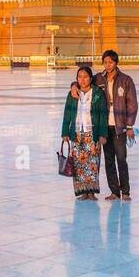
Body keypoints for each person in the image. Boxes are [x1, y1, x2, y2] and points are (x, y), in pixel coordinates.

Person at [60, 66, 109, 200]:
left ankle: (91, 192)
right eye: (79, 77)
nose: (82, 80)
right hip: (76, 134)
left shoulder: (98, 94)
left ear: (91, 78)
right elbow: (67, 114)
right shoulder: (72, 94)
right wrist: (65, 132)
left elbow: (103, 115)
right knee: (79, 164)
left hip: (92, 133)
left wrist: (103, 134)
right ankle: (82, 191)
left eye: (85, 77)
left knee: (92, 163)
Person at [95, 49, 138, 201]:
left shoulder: (126, 80)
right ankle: (114, 191)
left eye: (110, 62)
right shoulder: (99, 79)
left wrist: (130, 126)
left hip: (120, 127)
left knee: (121, 159)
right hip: (105, 127)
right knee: (109, 160)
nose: (107, 65)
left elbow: (132, 104)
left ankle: (125, 191)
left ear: (116, 63)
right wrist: (74, 85)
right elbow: (84, 81)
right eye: (105, 62)